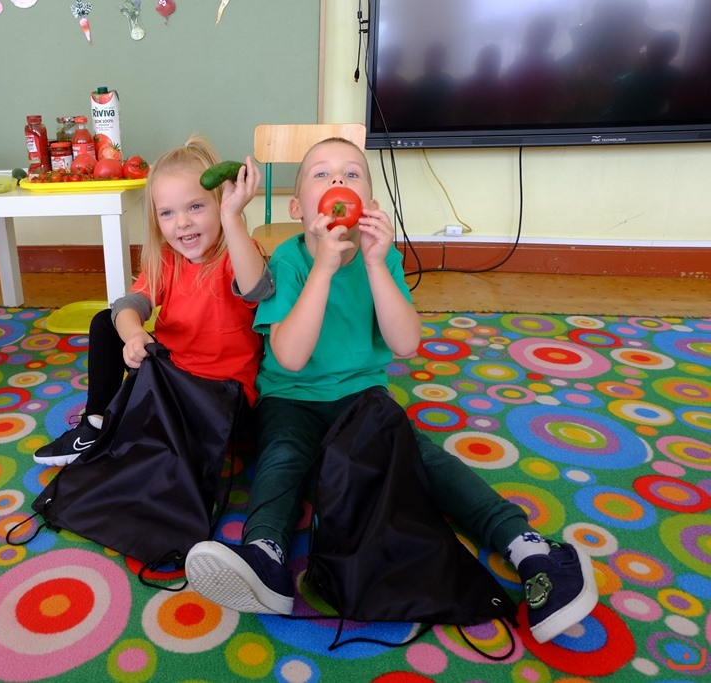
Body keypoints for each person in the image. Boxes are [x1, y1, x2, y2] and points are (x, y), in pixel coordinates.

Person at [184, 137, 598, 644]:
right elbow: (290, 357)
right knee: (283, 459)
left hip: (364, 398)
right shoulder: (289, 261)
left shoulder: (383, 259)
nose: (338, 181)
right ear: (298, 210)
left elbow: (405, 344)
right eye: (321, 174)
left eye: (351, 174)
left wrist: (378, 264)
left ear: (370, 205)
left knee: (427, 461)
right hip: (290, 398)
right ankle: (265, 555)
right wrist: (323, 268)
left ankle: (531, 549)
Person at [32, 135, 272, 466]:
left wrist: (232, 219)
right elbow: (128, 304)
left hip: (225, 402)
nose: (183, 222)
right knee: (105, 323)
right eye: (167, 213)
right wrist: (133, 335)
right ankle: (95, 426)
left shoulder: (237, 253)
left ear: (222, 202)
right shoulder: (167, 259)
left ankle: (139, 432)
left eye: (196, 207)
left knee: (147, 440)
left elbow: (257, 290)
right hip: (171, 386)